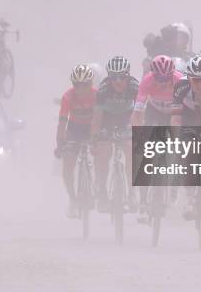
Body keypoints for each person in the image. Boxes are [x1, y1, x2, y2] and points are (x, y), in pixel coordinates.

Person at [131, 55, 183, 221]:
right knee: (147, 152)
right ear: (153, 74)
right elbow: (137, 113)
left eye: (165, 77)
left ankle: (174, 187)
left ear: (172, 74)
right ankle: (143, 202)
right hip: (154, 112)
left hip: (174, 113)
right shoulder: (146, 81)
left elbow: (188, 108)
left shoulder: (179, 80)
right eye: (158, 77)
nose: (161, 81)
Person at [170, 55, 201, 220]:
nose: (199, 85)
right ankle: (190, 200)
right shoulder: (181, 87)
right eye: (195, 80)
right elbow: (175, 118)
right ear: (188, 78)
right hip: (190, 117)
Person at [90, 56, 139, 213]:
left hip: (126, 118)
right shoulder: (103, 89)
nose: (118, 81)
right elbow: (97, 117)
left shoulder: (134, 87)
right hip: (107, 120)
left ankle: (132, 191)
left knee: (131, 150)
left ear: (128, 75)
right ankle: (102, 191)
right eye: (113, 77)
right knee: (103, 153)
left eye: (122, 77)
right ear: (108, 77)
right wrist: (94, 139)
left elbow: (140, 113)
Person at [55, 64, 97, 218]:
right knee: (67, 168)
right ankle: (73, 199)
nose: (80, 89)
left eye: (84, 85)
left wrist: (98, 138)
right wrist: (60, 144)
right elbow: (62, 122)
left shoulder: (97, 95)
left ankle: (98, 189)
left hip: (92, 129)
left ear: (90, 84)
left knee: (102, 154)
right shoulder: (67, 97)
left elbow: (101, 119)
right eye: (77, 85)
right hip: (74, 130)